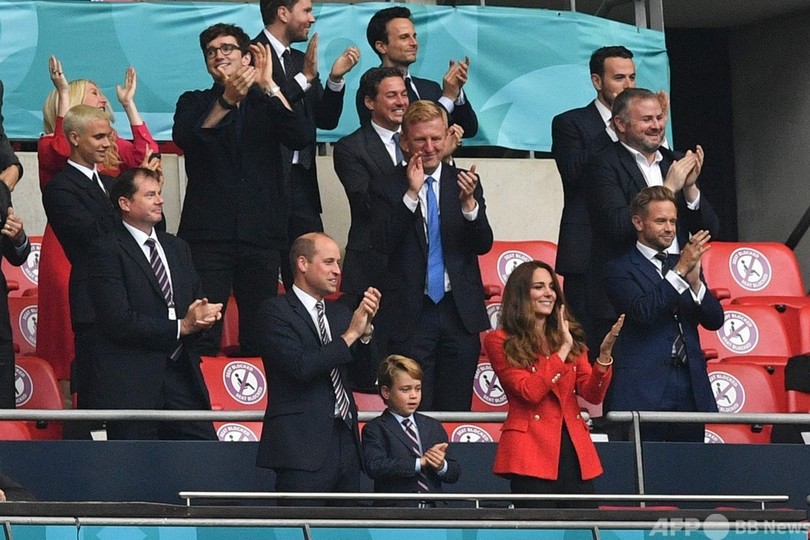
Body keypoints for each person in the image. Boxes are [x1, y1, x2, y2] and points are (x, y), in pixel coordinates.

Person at [173, 23, 315, 357]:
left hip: (261, 237)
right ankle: (200, 404)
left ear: (246, 55)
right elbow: (188, 139)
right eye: (211, 51)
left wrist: (269, 87)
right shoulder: (194, 101)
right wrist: (225, 101)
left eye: (227, 48)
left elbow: (301, 135)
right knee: (204, 331)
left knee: (260, 330)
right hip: (208, 238)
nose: (218, 55)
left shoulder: (267, 102)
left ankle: (257, 406)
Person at [37, 56, 158, 389]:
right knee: (66, 338)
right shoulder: (50, 142)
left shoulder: (103, 146)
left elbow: (145, 156)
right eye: (94, 93)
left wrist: (130, 105)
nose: (103, 99)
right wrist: (62, 91)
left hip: (111, 249)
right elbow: (63, 148)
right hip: (67, 249)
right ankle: (63, 414)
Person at [374, 100, 492, 411]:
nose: (429, 147)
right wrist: (411, 194)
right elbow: (382, 243)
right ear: (404, 141)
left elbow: (483, 243)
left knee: (456, 409)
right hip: (411, 315)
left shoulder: (464, 182)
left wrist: (469, 206)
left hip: (458, 312)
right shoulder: (386, 184)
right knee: (414, 409)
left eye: (436, 139)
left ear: (447, 138)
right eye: (420, 139)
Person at [87, 168, 221, 440]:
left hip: (183, 374)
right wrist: (180, 327)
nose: (160, 200)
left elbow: (194, 299)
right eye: (150, 195)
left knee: (204, 455)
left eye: (159, 194)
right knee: (134, 468)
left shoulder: (177, 247)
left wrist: (204, 317)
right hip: (133, 383)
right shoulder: (107, 250)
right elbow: (118, 321)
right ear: (125, 204)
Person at [483, 260, 623, 508]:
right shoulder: (499, 341)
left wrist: (603, 357)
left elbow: (592, 394)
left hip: (574, 448)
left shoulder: (567, 335)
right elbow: (529, 391)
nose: (548, 293)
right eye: (539, 286)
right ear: (521, 294)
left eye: (551, 287)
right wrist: (562, 351)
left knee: (583, 532)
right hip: (530, 452)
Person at [587, 87, 719, 348]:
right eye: (646, 119)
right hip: (631, 290)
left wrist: (691, 188)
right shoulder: (603, 163)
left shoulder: (675, 161)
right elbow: (615, 226)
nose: (656, 126)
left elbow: (709, 229)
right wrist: (668, 189)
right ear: (620, 124)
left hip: (678, 280)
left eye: (659, 118)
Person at [255, 232, 380, 504]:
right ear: (302, 263)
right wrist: (350, 336)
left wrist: (366, 334)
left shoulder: (341, 315)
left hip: (346, 443)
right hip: (300, 446)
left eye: (338, 263)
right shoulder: (275, 311)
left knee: (345, 534)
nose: (337, 271)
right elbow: (301, 366)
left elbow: (366, 377)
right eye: (329, 262)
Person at [603, 186, 724, 442]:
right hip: (644, 387)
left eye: (673, 221)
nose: (669, 228)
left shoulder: (683, 263)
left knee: (690, 471)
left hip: (689, 384)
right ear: (638, 222)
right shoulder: (619, 268)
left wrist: (695, 284)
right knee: (645, 472)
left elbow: (715, 321)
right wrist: (679, 272)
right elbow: (643, 312)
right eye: (660, 221)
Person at [255, 0, 360, 290]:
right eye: (307, 11)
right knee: (262, 286)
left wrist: (335, 79)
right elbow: (263, 112)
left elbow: (325, 120)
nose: (312, 19)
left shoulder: (301, 60)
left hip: (303, 185)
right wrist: (304, 79)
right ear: (283, 13)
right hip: (264, 187)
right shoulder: (253, 55)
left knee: (308, 280)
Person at [551, 46, 635, 351]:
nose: (628, 85)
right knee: (588, 352)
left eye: (632, 77)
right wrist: (613, 130)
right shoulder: (570, 123)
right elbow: (573, 173)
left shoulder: (641, 126)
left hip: (632, 252)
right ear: (597, 81)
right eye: (619, 78)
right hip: (587, 259)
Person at [41, 104, 121, 410]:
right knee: (96, 396)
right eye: (98, 137)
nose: (107, 143)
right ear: (74, 138)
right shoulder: (60, 189)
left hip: (126, 301)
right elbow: (91, 237)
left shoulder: (113, 185)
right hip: (93, 302)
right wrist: (127, 206)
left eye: (109, 136)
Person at [333, 66, 408, 306]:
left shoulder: (421, 141)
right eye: (391, 95)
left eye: (404, 94)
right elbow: (367, 203)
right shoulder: (350, 148)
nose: (401, 102)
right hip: (374, 267)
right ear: (369, 102)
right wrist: (408, 165)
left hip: (417, 265)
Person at [356, 6, 478, 138]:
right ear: (381, 46)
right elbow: (409, 133)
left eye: (414, 36)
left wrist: (456, 94)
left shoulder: (430, 88)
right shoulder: (371, 88)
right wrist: (447, 98)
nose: (414, 43)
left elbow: (468, 129)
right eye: (404, 37)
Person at [362, 354, 460, 505]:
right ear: (386, 392)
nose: (414, 396)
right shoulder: (375, 428)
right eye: (405, 390)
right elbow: (375, 466)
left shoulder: (433, 426)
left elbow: (454, 473)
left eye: (418, 389)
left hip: (435, 513)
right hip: (396, 514)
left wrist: (441, 465)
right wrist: (418, 463)